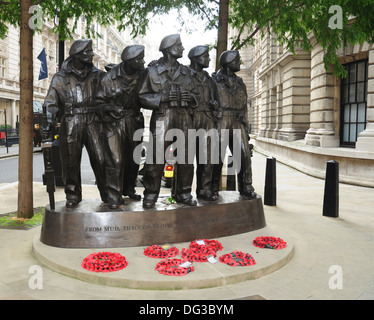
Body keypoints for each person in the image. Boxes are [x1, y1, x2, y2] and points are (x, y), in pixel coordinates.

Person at [42, 39, 107, 208]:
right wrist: (48, 123)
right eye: (88, 51)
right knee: (70, 161)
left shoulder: (98, 75)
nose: (92, 54)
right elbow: (51, 103)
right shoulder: (60, 78)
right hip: (71, 120)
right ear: (77, 55)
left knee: (101, 158)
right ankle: (73, 194)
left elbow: (112, 91)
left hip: (93, 121)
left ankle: (107, 193)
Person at [139, 34, 198, 209]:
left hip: (184, 117)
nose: (182, 48)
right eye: (179, 45)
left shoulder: (188, 73)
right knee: (155, 158)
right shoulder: (151, 72)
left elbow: (197, 96)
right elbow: (141, 97)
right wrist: (161, 98)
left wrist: (191, 97)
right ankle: (150, 194)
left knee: (186, 157)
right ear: (168, 48)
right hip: (162, 117)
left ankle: (184, 193)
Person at [95, 45, 145, 209]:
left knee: (133, 159)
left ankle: (129, 189)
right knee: (115, 159)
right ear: (132, 61)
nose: (143, 61)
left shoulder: (143, 76)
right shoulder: (109, 79)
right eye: (140, 59)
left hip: (134, 121)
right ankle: (114, 196)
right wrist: (107, 109)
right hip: (114, 124)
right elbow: (98, 103)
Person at [212, 50, 256, 199]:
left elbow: (244, 107)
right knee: (217, 157)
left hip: (237, 121)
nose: (239, 63)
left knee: (244, 156)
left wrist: (246, 129)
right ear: (228, 62)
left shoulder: (240, 83)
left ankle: (246, 186)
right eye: (236, 60)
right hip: (221, 120)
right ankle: (212, 188)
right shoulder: (214, 81)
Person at [188, 45, 221, 201]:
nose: (209, 58)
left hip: (207, 119)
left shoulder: (209, 79)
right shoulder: (185, 75)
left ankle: (204, 189)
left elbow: (217, 101)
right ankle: (182, 191)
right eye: (206, 56)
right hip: (190, 118)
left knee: (207, 158)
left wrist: (215, 106)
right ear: (196, 58)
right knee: (185, 158)